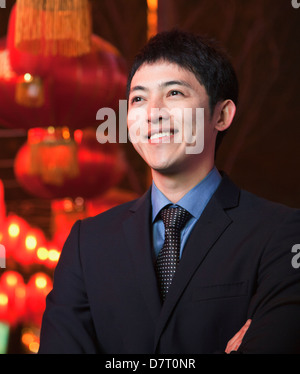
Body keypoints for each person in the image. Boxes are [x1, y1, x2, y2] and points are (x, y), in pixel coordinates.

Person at [39, 29, 300, 354]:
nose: (152, 112)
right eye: (138, 98)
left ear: (221, 115)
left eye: (174, 93)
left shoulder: (281, 234)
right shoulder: (86, 243)